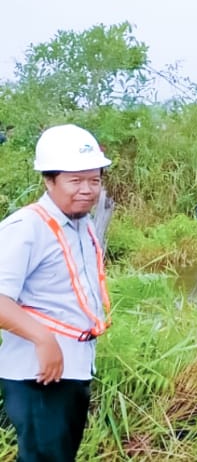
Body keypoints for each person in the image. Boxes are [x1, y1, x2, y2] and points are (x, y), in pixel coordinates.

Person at [0, 124, 112, 461]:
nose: (87, 190)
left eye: (94, 180)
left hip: (73, 368)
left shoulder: (82, 224)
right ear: (49, 181)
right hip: (38, 374)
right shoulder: (26, 227)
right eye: (75, 181)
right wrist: (43, 340)